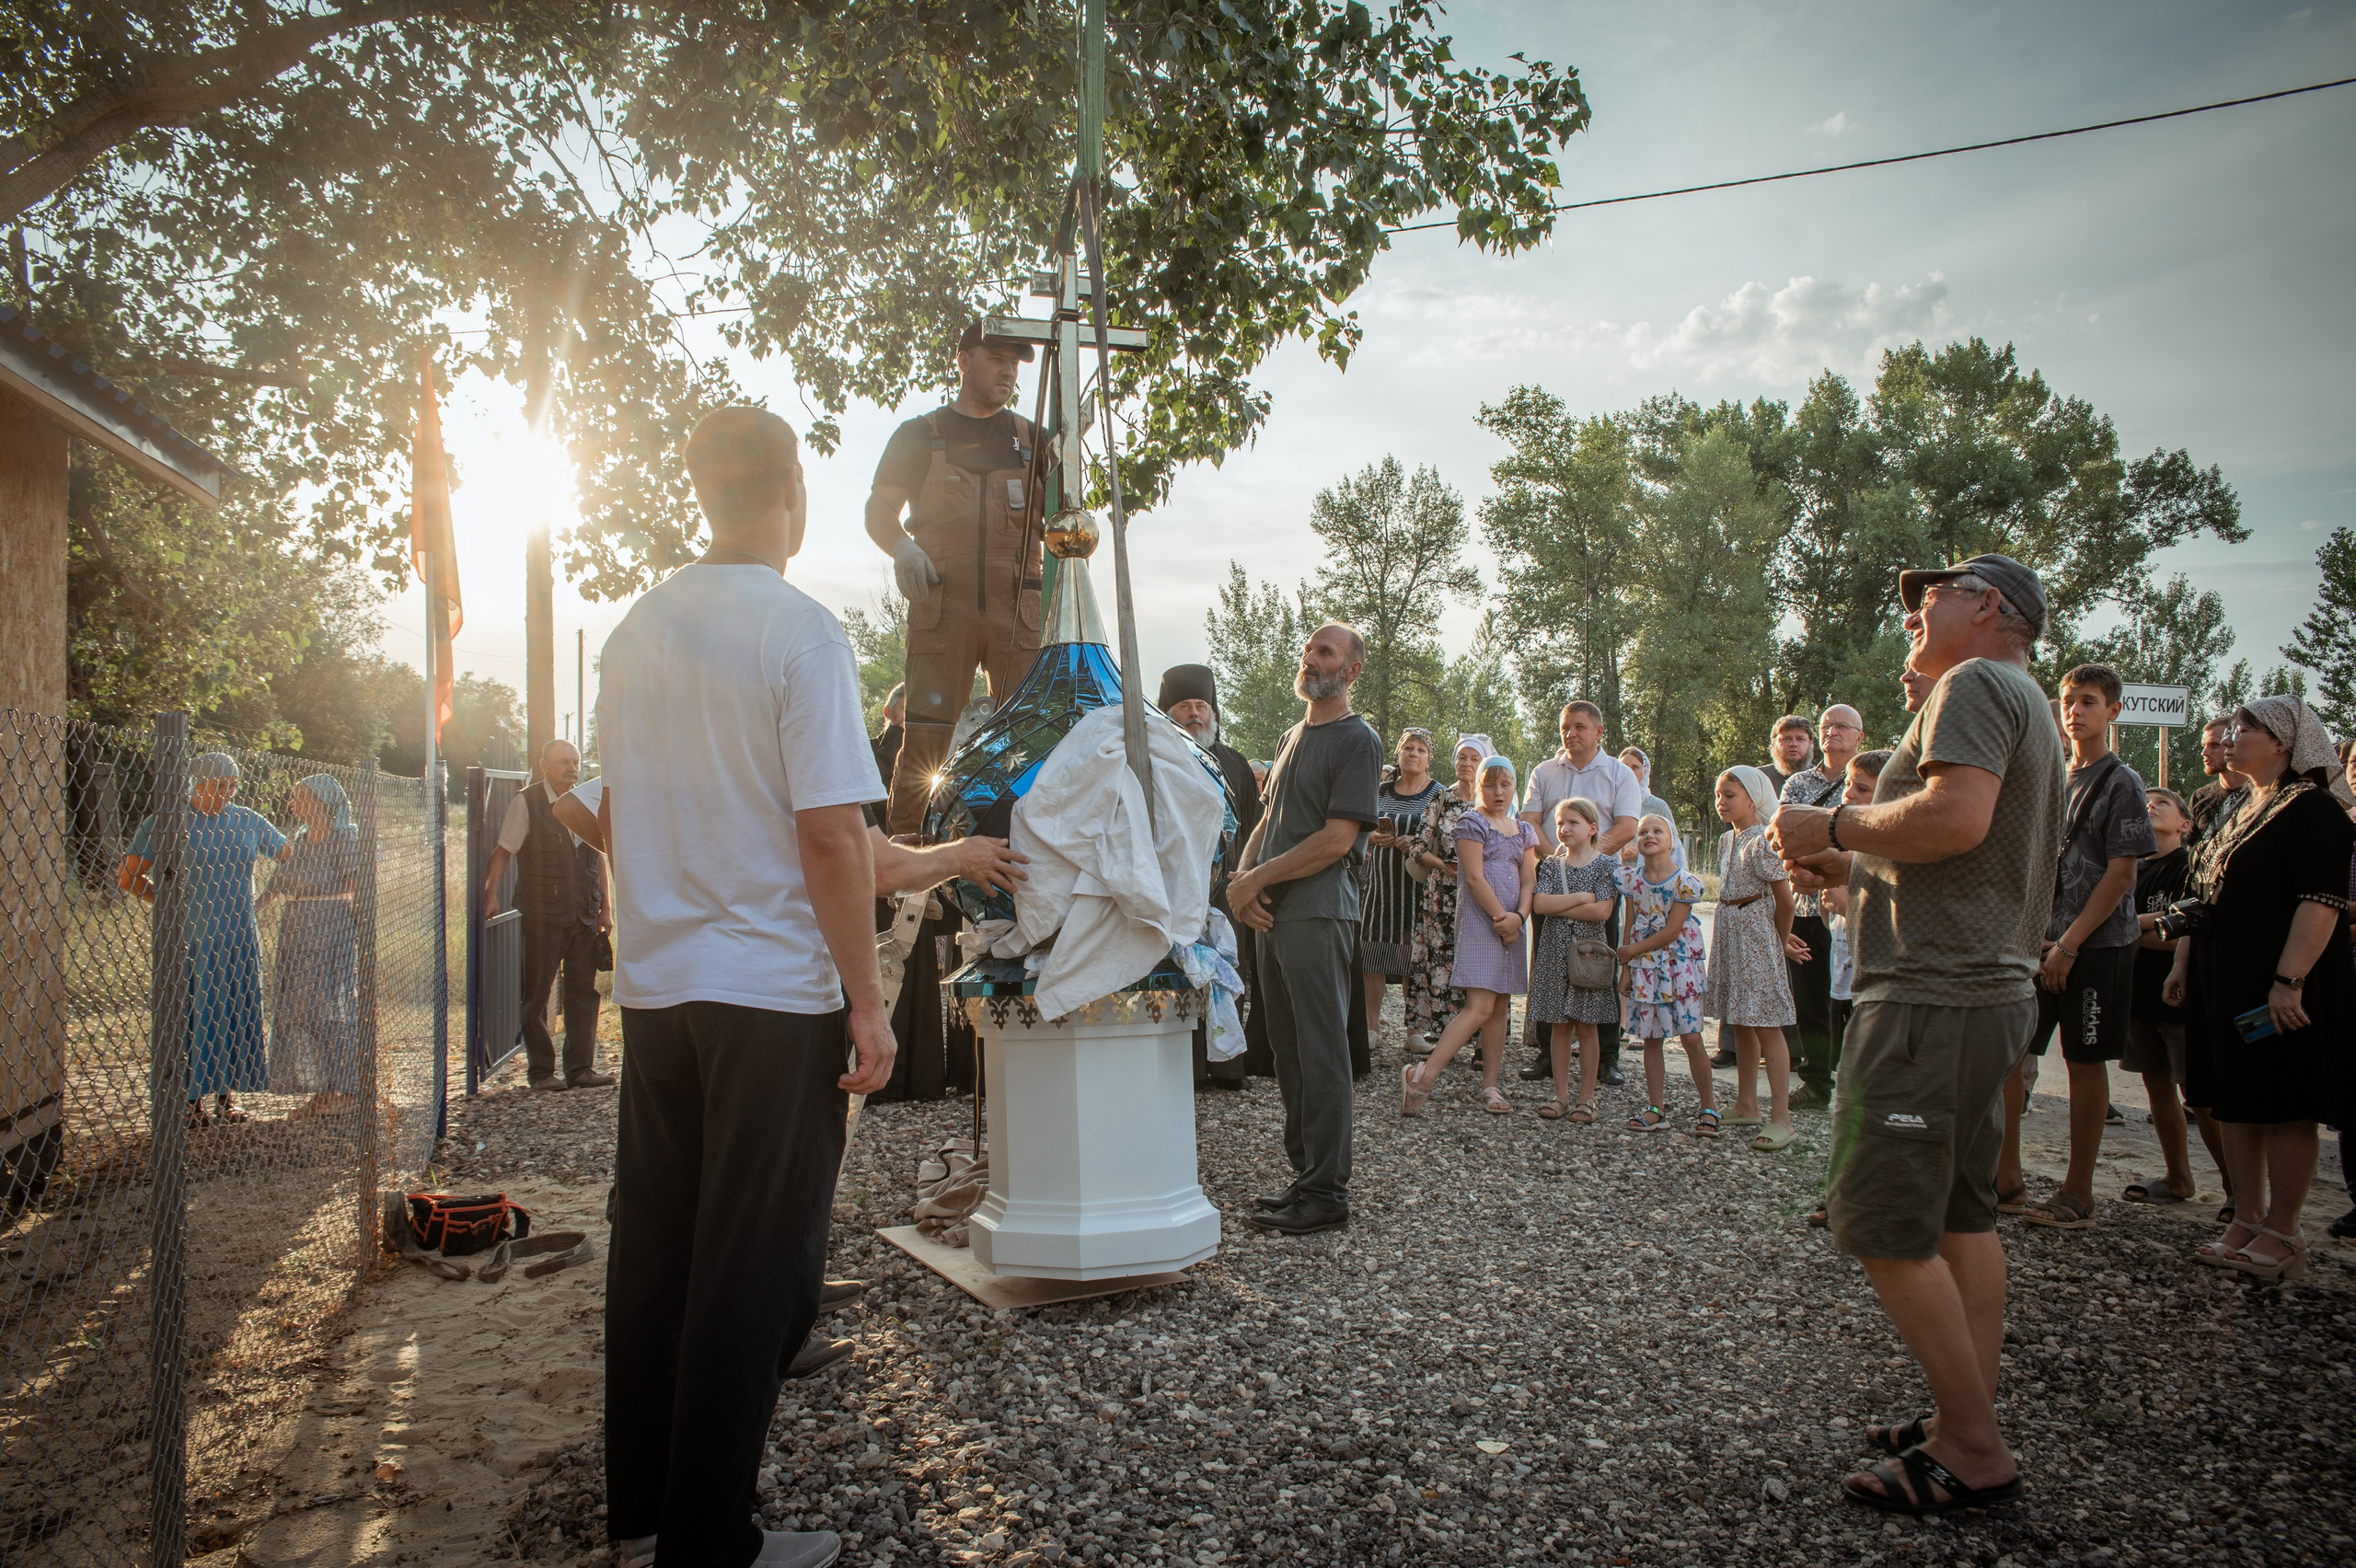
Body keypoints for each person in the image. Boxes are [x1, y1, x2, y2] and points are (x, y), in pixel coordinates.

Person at [597, 405, 893, 1568]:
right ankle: (710, 1540)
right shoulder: (801, 631)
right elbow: (832, 837)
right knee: (751, 1267)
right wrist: (866, 1005)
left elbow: (614, 818)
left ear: (699, 492)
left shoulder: (633, 632)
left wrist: (661, 926)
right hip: (770, 991)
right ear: (792, 494)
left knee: (656, 1251)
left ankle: (642, 1518)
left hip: (660, 987)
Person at [1770, 552, 2060, 1515]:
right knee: (1960, 1215)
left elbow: (1956, 819)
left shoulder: (1974, 683)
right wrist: (1850, 869)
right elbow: (1962, 850)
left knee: (1877, 1215)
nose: (1913, 608)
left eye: (1931, 592)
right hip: (1986, 992)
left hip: (1933, 998)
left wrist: (1836, 829)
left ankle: (1973, 1449)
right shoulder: (2024, 700)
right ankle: (1959, 1413)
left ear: (1987, 607)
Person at [2162, 696, 2353, 1281]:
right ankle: (2247, 1217)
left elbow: (2321, 904)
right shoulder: (2240, 803)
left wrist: (2288, 981)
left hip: (2282, 984)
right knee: (2233, 1099)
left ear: (2284, 745)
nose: (2232, 735)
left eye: (2248, 727)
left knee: (2284, 1103)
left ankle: (2285, 1232)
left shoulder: (2314, 809)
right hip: (2226, 974)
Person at [1225, 623, 1383, 1236]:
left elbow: (1337, 840)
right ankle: (1305, 1179)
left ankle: (1327, 1193)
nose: (1311, 658)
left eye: (1326, 652)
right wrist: (1244, 884)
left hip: (1319, 911)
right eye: (1309, 648)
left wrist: (1254, 879)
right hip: (1273, 912)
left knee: (1322, 1054)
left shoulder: (1357, 741)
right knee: (1288, 1052)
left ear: (1350, 671)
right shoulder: (1293, 735)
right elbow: (1268, 818)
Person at [868, 321, 1045, 834]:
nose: (1008, 369)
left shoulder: (1036, 442)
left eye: (1015, 361)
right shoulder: (919, 435)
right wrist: (902, 546)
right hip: (943, 608)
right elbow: (878, 510)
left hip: (1021, 609)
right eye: (996, 358)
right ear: (964, 361)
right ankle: (906, 865)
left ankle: (1030, 861)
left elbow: (1064, 524)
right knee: (926, 737)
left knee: (1032, 740)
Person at [1998, 666, 2154, 1232]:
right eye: (2067, 701)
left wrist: (2069, 943)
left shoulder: (2122, 782)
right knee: (2015, 1056)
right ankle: (2006, 1177)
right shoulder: (2055, 777)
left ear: (2112, 711)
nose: (2074, 711)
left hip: (2098, 945)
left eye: (2088, 701)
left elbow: (2121, 874)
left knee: (2084, 1062)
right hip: (2040, 945)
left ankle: (2078, 1191)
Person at [121, 751, 286, 1126]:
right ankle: (189, 1103)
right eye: (218, 785)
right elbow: (128, 878)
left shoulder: (246, 820)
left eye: (232, 786)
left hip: (240, 938)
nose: (226, 793)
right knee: (195, 1016)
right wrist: (168, 904)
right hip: (192, 940)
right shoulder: (166, 823)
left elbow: (290, 855)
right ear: (196, 783)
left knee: (235, 1013)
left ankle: (228, 1100)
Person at [1399, 757, 1539, 1117]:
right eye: (1490, 785)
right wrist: (1500, 917)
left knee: (1500, 1007)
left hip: (1512, 924)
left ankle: (1490, 1085)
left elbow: (1528, 879)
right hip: (1482, 922)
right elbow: (1474, 878)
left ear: (1513, 787)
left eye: (1505, 785)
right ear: (1479, 787)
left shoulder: (1521, 829)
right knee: (1478, 1007)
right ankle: (1422, 1077)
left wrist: (1519, 917)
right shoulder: (1471, 822)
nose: (1498, 792)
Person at [483, 738, 616, 1091]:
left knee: (583, 993)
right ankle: (541, 1072)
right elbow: (503, 852)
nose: (571, 768)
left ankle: (580, 1070)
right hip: (542, 915)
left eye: (575, 761)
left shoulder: (588, 802)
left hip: (584, 916)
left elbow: (599, 858)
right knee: (537, 994)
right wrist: (491, 895)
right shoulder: (526, 802)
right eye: (562, 762)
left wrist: (606, 909)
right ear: (544, 765)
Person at [1520, 703, 1644, 1084]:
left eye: (1579, 727)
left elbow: (1626, 825)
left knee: (1598, 965)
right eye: (1564, 727)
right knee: (1548, 964)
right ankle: (1548, 1052)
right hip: (1553, 873)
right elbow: (1530, 821)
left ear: (1599, 732)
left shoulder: (1619, 774)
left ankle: (1607, 1055)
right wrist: (1556, 858)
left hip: (1599, 874)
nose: (1570, 733)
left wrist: (1588, 856)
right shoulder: (1544, 771)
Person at [1160, 663, 1268, 1090]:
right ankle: (1182, 1067)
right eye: (1184, 706)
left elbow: (1255, 823)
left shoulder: (1234, 762)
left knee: (1226, 968)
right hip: (1174, 886)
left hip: (1225, 888)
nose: (1194, 714)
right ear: (1168, 712)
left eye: (1201, 705)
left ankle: (1227, 1066)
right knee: (1177, 971)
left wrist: (1252, 876)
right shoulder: (1155, 757)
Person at [2117, 788, 2212, 1207]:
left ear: (2185, 824)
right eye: (2144, 803)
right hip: (2137, 996)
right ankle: (2178, 1178)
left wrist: (2126, 925)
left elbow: (2184, 930)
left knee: (2201, 1097)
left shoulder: (2190, 867)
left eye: (2162, 803)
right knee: (2156, 1089)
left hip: (2180, 997)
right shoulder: (2128, 869)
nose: (2150, 806)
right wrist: (2145, 928)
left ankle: (2236, 1191)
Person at [1706, 766, 1801, 1150]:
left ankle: (1782, 1117)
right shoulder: (1727, 843)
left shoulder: (1763, 840)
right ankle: (1747, 1103)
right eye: (1719, 794)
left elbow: (1786, 901)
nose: (1721, 801)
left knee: (1766, 1023)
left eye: (1730, 794)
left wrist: (1775, 944)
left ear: (1752, 798)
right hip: (1731, 932)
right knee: (1741, 1019)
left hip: (1757, 938)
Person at [260, 774, 364, 1116]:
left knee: (331, 1010)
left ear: (321, 802)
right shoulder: (301, 839)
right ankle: (321, 1089)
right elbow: (277, 882)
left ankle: (348, 1090)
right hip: (297, 929)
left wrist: (358, 929)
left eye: (299, 797)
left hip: (331, 925)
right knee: (300, 1011)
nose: (292, 804)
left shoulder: (344, 837)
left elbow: (355, 885)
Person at [1778, 706, 1864, 1106]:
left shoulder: (1868, 778)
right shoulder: (1797, 783)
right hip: (1807, 906)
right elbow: (1785, 833)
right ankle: (1816, 1082)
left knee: (1858, 1001)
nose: (1832, 732)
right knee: (1812, 1000)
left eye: (1841, 726)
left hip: (1857, 904)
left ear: (1859, 736)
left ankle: (1861, 1086)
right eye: (1826, 726)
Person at [1611, 815, 1714, 1134]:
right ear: (1637, 843)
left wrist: (1632, 951)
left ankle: (1708, 1107)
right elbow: (1629, 925)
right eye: (1643, 832)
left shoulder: (1684, 882)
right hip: (1645, 969)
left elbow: (1671, 931)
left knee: (1692, 1037)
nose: (1650, 835)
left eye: (1658, 831)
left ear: (1671, 842)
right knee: (1651, 1038)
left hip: (1677, 967)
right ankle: (1656, 1107)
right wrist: (1626, 968)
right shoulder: (1631, 880)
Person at [1527, 797, 1622, 1121]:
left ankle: (1587, 1097)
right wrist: (1583, 897)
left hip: (1589, 954)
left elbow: (1603, 910)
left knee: (1587, 1025)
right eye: (1560, 823)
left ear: (1592, 828)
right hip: (1554, 950)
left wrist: (1563, 903)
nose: (1564, 829)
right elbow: (1540, 906)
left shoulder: (1606, 865)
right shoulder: (1553, 865)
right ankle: (1561, 1094)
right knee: (1559, 1025)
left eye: (1573, 823)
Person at [1363, 730, 1442, 1036]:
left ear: (1429, 759)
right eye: (1408, 747)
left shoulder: (1438, 794)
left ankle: (1414, 1031)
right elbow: (1356, 829)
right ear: (1397, 754)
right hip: (1380, 886)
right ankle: (1371, 1027)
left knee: (1415, 957)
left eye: (1421, 750)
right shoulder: (1378, 791)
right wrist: (1371, 837)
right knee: (1372, 955)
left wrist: (1420, 842)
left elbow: (1446, 839)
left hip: (1418, 887)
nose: (1413, 753)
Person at [2184, 717, 2246, 840]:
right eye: (2204, 745)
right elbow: (2193, 851)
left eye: (2215, 745)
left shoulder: (2261, 793)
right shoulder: (2201, 797)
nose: (2205, 752)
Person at [1763, 714, 1816, 796]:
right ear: (1774, 744)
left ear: (1810, 744)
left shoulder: (1821, 781)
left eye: (1800, 739)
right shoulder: (1759, 779)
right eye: (1786, 739)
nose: (1793, 744)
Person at [872, 683, 907, 790]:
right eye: (904, 709)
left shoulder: (918, 755)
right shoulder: (866, 748)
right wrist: (898, 733)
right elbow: (882, 779)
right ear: (887, 712)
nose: (908, 717)